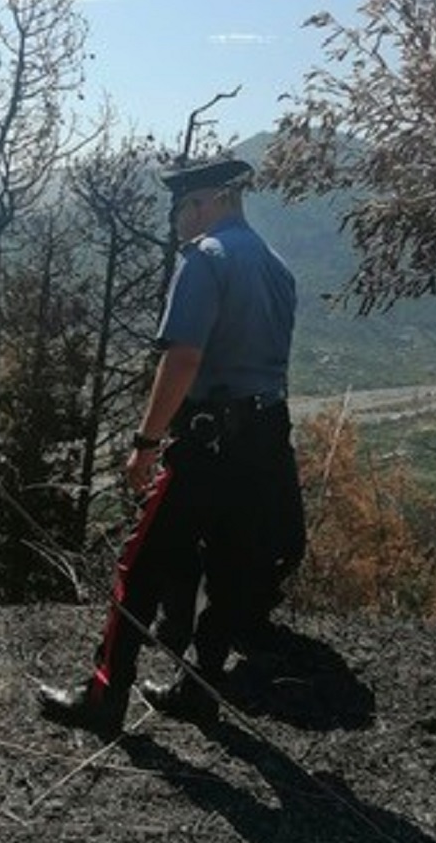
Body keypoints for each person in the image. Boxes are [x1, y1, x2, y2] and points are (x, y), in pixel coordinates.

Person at [38, 155, 306, 734]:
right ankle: (199, 688)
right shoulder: (278, 268)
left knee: (140, 565)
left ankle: (105, 695)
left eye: (182, 207)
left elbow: (183, 358)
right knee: (233, 567)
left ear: (210, 201)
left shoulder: (205, 260)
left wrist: (146, 442)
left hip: (207, 442)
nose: (177, 220)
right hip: (264, 439)